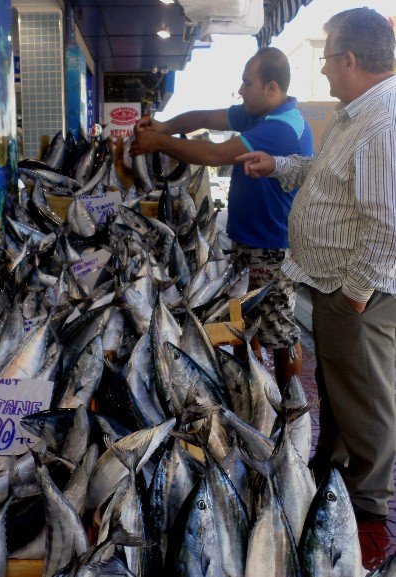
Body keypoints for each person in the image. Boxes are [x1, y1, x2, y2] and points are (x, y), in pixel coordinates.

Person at [236, 7, 396, 568]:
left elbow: (387, 224)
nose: (323, 70)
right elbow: (324, 177)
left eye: (328, 58)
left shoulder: (383, 122)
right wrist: (277, 165)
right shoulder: (356, 116)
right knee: (339, 392)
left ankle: (370, 516)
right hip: (332, 287)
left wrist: (355, 296)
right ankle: (331, 483)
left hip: (360, 295)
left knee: (367, 401)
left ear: (350, 60)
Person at [130, 47, 313, 389]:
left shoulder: (282, 129)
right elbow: (206, 118)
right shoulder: (258, 115)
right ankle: (255, 388)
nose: (241, 90)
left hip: (273, 247)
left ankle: (290, 408)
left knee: (280, 331)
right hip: (249, 241)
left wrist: (159, 143)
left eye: (247, 83)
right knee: (246, 321)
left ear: (271, 88)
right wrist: (166, 126)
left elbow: (214, 155)